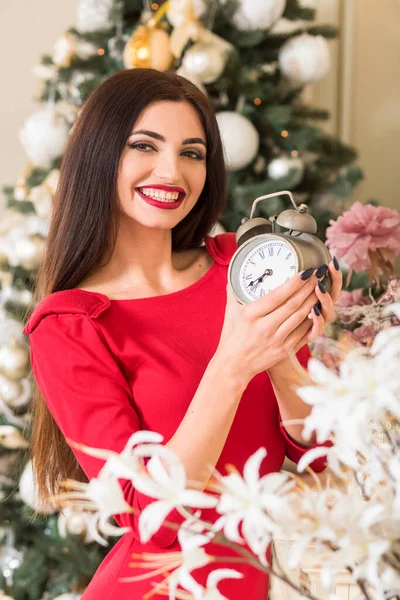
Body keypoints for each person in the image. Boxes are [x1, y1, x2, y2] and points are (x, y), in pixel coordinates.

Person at [23, 68, 342, 599]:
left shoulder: (240, 267)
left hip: (273, 581)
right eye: (144, 146)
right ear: (100, 156)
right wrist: (233, 365)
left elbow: (324, 454)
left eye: (192, 153)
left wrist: (283, 351)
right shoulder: (71, 325)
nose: (172, 172)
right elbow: (153, 521)